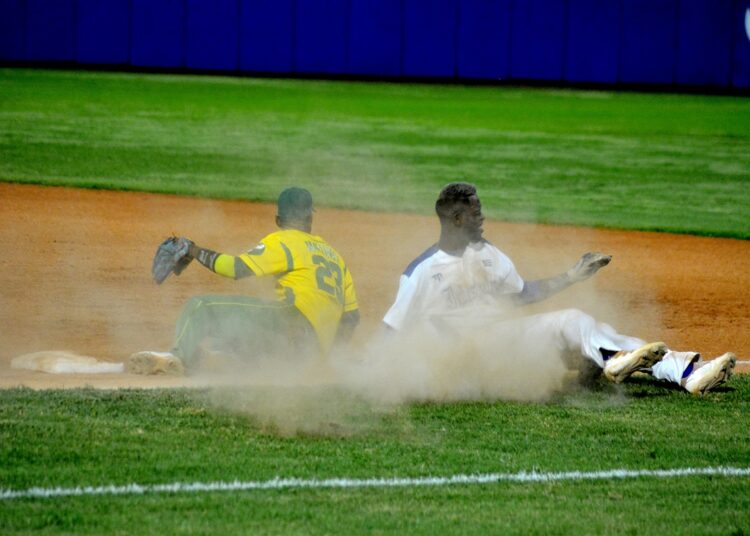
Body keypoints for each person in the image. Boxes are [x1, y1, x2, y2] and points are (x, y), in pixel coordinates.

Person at [382, 182, 736, 395]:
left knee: (574, 322)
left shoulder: (489, 255)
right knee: (579, 332)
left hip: (507, 344)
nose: (483, 218)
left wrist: (571, 276)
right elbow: (390, 333)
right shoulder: (422, 272)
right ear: (457, 219)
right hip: (468, 364)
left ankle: (686, 372)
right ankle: (612, 360)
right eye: (476, 213)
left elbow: (521, 295)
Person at [128, 187, 360, 374]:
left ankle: (175, 359)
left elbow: (236, 268)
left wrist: (194, 250)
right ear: (310, 217)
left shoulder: (285, 240)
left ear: (278, 220)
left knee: (201, 306)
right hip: (307, 353)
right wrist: (326, 361)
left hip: (291, 324)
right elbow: (351, 317)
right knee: (234, 339)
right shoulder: (335, 256)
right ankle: (216, 361)